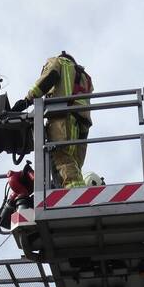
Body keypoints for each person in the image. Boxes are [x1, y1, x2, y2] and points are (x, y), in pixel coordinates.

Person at [11, 51, 93, 188]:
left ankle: (75, 197)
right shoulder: (85, 77)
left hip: (62, 118)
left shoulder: (59, 62)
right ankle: (73, 191)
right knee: (73, 164)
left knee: (62, 157)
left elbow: (50, 76)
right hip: (82, 127)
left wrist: (27, 100)